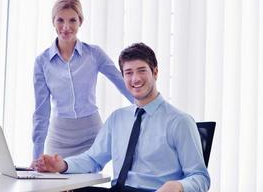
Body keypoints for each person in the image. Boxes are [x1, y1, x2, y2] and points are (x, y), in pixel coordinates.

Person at [34, 43, 210, 192]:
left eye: (142, 70)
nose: (135, 79)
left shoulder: (179, 121)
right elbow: (92, 159)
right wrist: (62, 165)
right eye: (128, 72)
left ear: (155, 72)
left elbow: (200, 177)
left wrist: (178, 186)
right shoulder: (117, 119)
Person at [31, 0, 133, 167]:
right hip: (58, 139)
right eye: (60, 20)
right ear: (53, 22)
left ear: (80, 22)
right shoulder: (42, 62)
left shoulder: (94, 54)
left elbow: (123, 83)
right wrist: (37, 155)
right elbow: (41, 112)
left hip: (91, 137)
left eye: (72, 20)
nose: (66, 27)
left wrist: (149, 107)